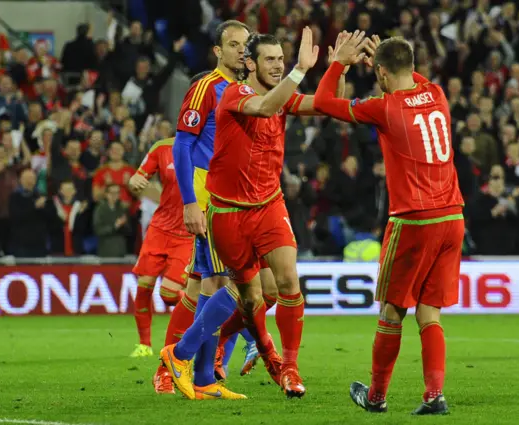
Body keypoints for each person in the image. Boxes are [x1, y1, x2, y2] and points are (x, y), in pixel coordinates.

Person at [162, 27, 342, 399]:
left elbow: (324, 103)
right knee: (226, 290)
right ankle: (185, 362)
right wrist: (189, 201)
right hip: (225, 209)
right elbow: (262, 107)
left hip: (268, 206)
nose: (278, 66)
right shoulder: (231, 92)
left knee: (283, 285)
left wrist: (337, 65)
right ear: (249, 63)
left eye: (281, 59)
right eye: (270, 60)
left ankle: (286, 368)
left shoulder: (280, 96)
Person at [313, 32, 465, 415]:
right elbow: (408, 74)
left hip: (414, 218)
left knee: (392, 311)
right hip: (452, 217)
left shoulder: (384, 107)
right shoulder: (437, 94)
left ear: (381, 74)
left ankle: (377, 396)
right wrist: (384, 64)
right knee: (429, 312)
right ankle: (434, 396)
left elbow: (323, 102)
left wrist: (340, 64)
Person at [159, 20, 275, 400]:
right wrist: (190, 201)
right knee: (234, 284)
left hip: (235, 194)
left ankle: (206, 377)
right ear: (218, 51)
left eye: (246, 45)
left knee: (213, 283)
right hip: (209, 195)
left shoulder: (242, 90)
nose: (242, 51)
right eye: (234, 45)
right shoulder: (206, 87)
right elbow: (181, 144)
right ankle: (180, 357)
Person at [127, 138, 194, 375]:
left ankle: (201, 312)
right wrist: (135, 180)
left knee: (167, 294)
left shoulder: (209, 146)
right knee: (144, 286)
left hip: (188, 232)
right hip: (160, 228)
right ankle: (144, 344)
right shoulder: (162, 148)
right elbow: (138, 177)